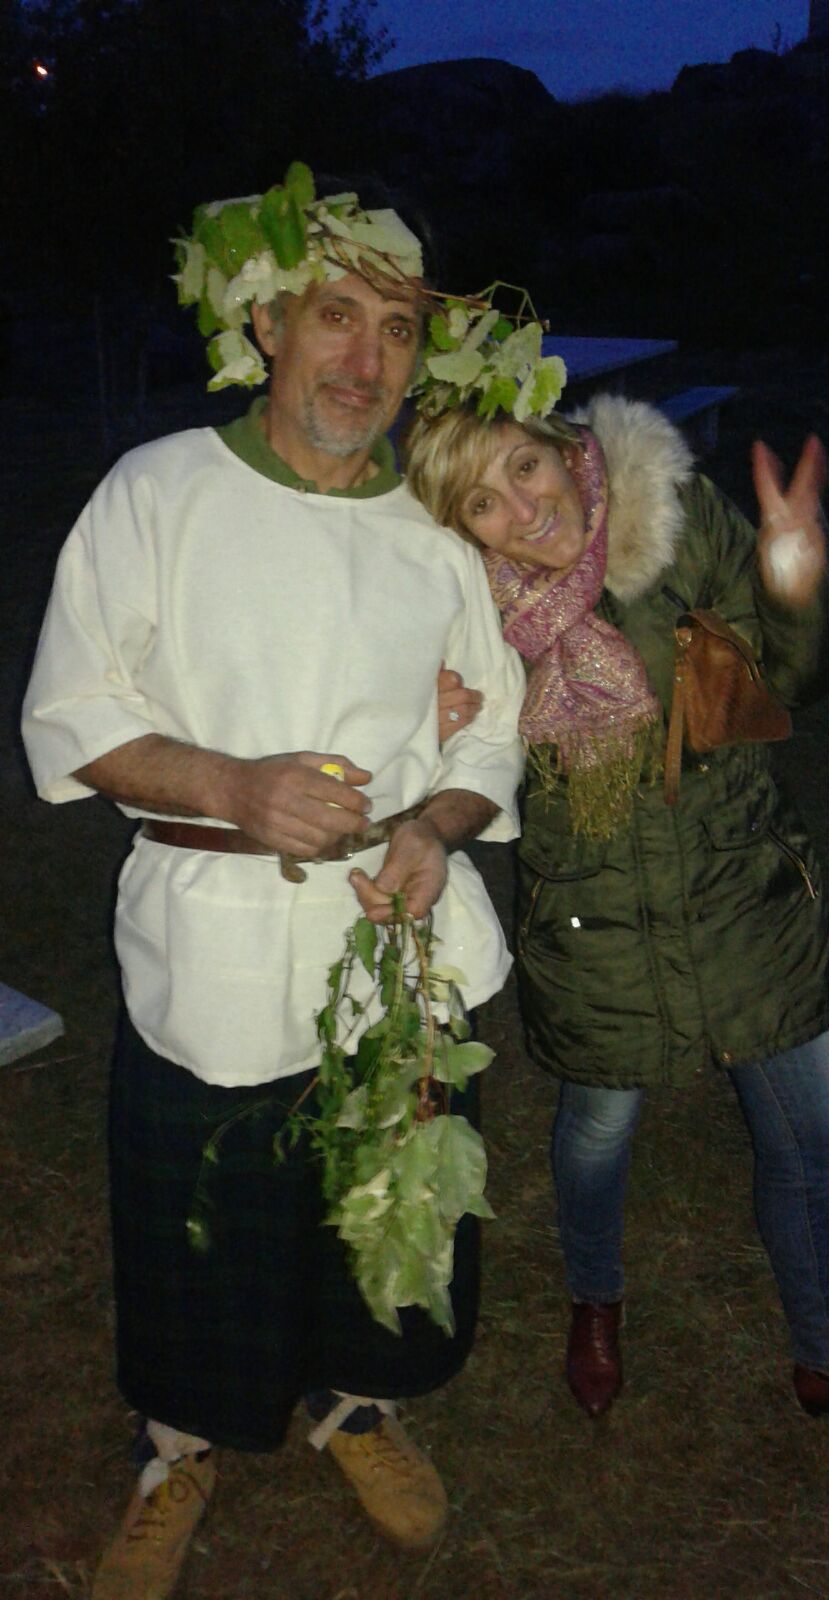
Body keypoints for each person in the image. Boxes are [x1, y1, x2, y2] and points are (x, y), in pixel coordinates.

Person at [21, 166, 527, 1596]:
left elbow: (492, 727)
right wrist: (235, 788)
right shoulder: (158, 493)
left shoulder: (436, 528)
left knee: (391, 1191)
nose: (367, 359)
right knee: (201, 1207)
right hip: (218, 941)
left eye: (396, 330)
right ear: (265, 326)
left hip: (403, 947)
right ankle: (178, 1445)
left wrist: (437, 823)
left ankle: (360, 1404)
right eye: (335, 317)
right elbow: (72, 711)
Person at [402, 379, 829, 1430]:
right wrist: (420, 716)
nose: (522, 509)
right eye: (481, 502)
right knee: (597, 1131)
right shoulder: (460, 605)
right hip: (594, 914)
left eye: (524, 466)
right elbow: (438, 767)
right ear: (457, 527)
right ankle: (596, 1299)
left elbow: (797, 680)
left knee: (809, 1137)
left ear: (561, 444)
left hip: (741, 884)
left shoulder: (672, 512)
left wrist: (792, 581)